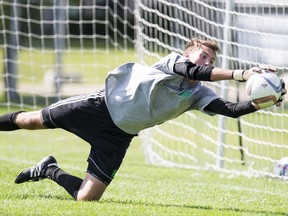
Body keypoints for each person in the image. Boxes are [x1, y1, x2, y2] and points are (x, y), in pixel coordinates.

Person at [0, 38, 286, 201]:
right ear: (189, 53)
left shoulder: (199, 94)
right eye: (204, 55)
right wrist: (242, 73)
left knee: (87, 198)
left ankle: (48, 170)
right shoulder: (172, 62)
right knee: (29, 120)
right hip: (98, 108)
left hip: (118, 136)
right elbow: (195, 71)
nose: (207, 61)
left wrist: (264, 101)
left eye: (211, 59)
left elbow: (231, 109)